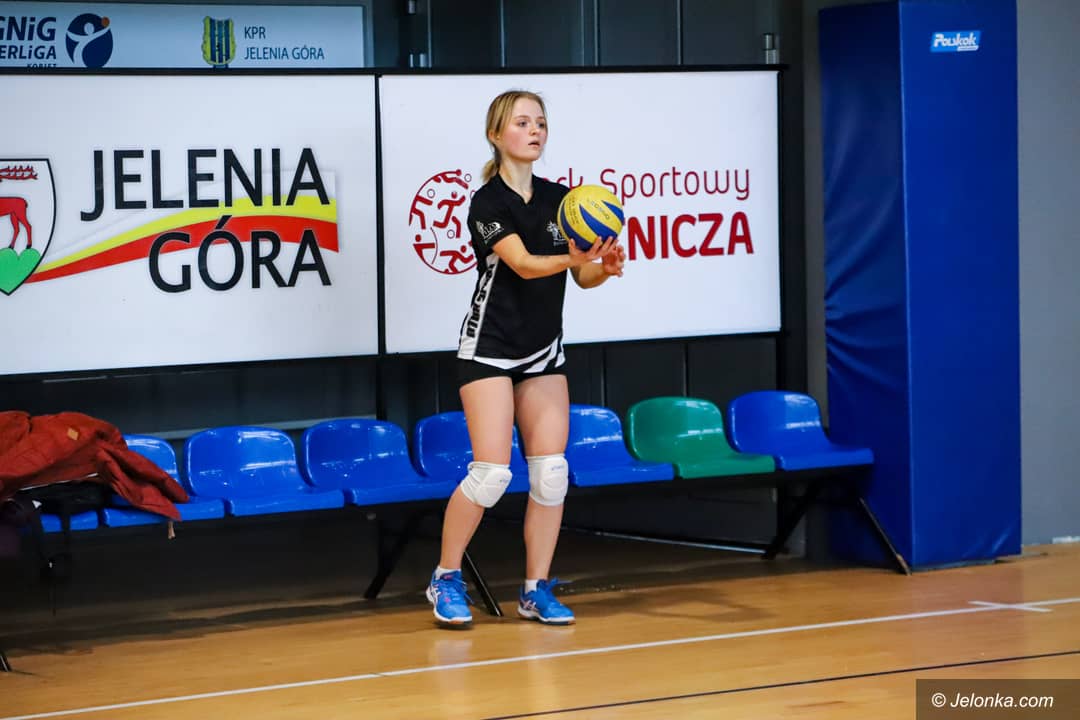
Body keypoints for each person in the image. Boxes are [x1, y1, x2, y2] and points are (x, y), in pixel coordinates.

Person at [426, 90, 626, 626]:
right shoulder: (486, 203)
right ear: (496, 134)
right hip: (489, 349)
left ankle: (535, 590)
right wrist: (573, 257)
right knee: (491, 474)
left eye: (540, 122)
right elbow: (523, 264)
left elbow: (581, 276)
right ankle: (445, 577)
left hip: (543, 351)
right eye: (522, 122)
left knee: (551, 474)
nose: (534, 130)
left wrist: (602, 267)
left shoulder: (564, 201)